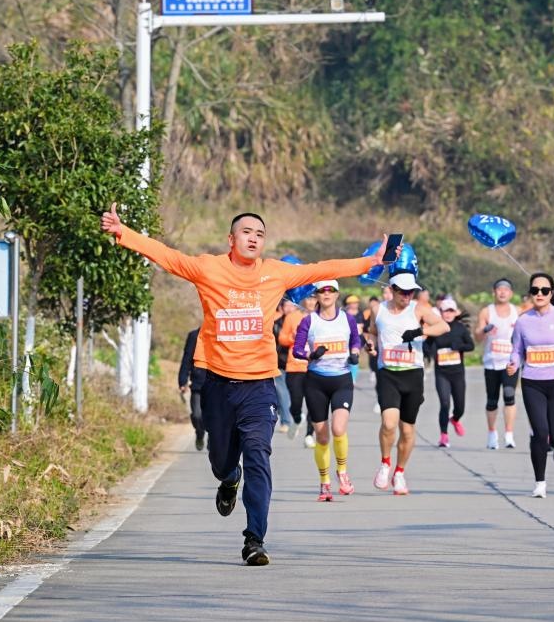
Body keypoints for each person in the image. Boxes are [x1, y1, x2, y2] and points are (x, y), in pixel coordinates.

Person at [100, 204, 391, 565]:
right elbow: (168, 257)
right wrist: (122, 232)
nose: (253, 238)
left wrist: (370, 261)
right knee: (222, 462)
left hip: (259, 386)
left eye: (259, 234)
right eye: (246, 232)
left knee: (258, 455)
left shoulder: (275, 274)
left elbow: (322, 269)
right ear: (231, 239)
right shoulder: (208, 268)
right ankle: (228, 478)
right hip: (217, 383)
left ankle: (254, 539)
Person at [368, 271, 449, 495]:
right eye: (402, 292)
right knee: (389, 423)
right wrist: (371, 344)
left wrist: (421, 331)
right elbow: (372, 333)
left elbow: (444, 326)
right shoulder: (379, 309)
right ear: (392, 290)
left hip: (412, 374)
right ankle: (385, 463)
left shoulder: (419, 309)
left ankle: (400, 472)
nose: (407, 295)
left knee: (407, 429)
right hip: (388, 373)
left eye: (410, 291)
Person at [507, 273, 554, 499]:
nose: (539, 294)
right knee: (540, 433)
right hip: (532, 382)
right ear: (530, 293)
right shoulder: (522, 321)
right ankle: (540, 482)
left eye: (544, 290)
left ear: (551, 293)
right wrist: (513, 363)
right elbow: (517, 350)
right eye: (535, 290)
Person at [292, 280, 363, 500]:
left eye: (330, 290)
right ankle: (324, 483)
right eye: (321, 291)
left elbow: (356, 340)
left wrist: (355, 353)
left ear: (336, 294)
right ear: (317, 295)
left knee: (339, 429)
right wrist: (311, 355)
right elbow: (297, 350)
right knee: (322, 437)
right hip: (316, 382)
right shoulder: (309, 321)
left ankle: (342, 471)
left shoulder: (347, 319)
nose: (326, 294)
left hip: (341, 379)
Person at [475, 278, 520, 450]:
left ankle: (509, 434)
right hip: (491, 362)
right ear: (494, 292)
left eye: (506, 290)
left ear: (511, 293)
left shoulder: (518, 312)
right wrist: (484, 330)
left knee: (509, 395)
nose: (502, 292)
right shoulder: (487, 312)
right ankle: (492, 433)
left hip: (511, 362)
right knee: (492, 400)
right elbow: (477, 337)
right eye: (499, 289)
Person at [424, 297, 474, 448]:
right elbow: (426, 346)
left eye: (451, 311)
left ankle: (456, 419)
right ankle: (444, 436)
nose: (448, 314)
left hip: (457, 373)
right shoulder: (437, 327)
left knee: (460, 406)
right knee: (444, 403)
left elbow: (470, 345)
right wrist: (432, 352)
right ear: (441, 312)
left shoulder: (460, 328)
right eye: (445, 311)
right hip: (442, 373)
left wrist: (458, 346)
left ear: (455, 312)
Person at [279, 295, 317, 447]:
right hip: (295, 365)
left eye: (314, 299)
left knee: (314, 403)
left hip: (315, 366)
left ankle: (309, 434)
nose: (311, 302)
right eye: (308, 299)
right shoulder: (293, 317)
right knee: (295, 401)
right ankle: (296, 418)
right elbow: (282, 338)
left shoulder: (322, 318)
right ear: (303, 300)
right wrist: (291, 337)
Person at [179, 327, 207, 450]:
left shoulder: (222, 333)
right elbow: (186, 360)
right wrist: (182, 381)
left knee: (216, 417)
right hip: (198, 384)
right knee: (197, 415)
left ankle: (214, 438)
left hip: (217, 385)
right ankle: (200, 434)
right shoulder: (194, 336)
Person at [270, 299, 295, 433]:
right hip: (280, 361)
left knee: (291, 392)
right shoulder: (276, 323)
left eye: (293, 305)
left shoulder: (300, 321)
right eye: (287, 305)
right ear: (281, 307)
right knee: (282, 391)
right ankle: (286, 420)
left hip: (297, 363)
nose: (290, 308)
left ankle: (292, 414)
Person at [344, 294, 363, 384]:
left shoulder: (361, 314)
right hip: (346, 339)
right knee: (346, 357)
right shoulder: (343, 314)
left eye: (355, 303)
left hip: (357, 340)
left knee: (355, 357)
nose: (354, 305)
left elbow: (365, 326)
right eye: (351, 303)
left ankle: (353, 378)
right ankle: (346, 374)